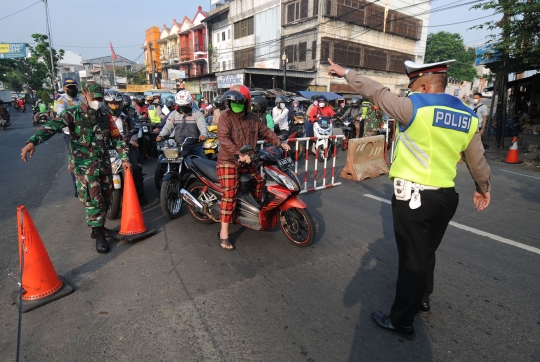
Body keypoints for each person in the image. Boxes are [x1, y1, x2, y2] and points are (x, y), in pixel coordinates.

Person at [327, 58, 491, 339]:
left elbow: (377, 92)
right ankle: (423, 300)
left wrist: (346, 73)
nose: (409, 92)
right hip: (446, 199)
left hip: (414, 198)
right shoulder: (468, 115)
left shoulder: (415, 108)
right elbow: (477, 159)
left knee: (412, 260)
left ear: (425, 85)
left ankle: (402, 320)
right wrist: (483, 187)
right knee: (426, 253)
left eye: (412, 87)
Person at [21, 83, 132, 254]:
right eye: (94, 98)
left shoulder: (105, 116)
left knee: (107, 197)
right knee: (93, 199)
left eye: (100, 99)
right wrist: (32, 142)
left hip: (103, 165)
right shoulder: (73, 114)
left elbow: (117, 138)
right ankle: (98, 232)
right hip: (84, 167)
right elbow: (51, 127)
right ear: (85, 95)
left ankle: (99, 228)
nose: (97, 102)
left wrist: (124, 158)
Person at [216, 84, 289, 251]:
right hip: (228, 161)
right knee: (230, 194)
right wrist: (238, 154)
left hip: (248, 160)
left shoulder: (254, 118)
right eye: (232, 103)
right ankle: (224, 233)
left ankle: (253, 211)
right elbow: (224, 140)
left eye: (238, 103)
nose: (234, 106)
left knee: (260, 181)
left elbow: (266, 132)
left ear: (246, 103)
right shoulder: (224, 118)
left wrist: (279, 142)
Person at [104, 89, 148, 206]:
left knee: (136, 169)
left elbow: (135, 129)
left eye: (116, 103)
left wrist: (133, 139)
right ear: (106, 103)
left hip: (126, 146)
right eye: (111, 103)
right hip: (107, 148)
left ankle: (140, 195)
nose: (114, 106)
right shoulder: (102, 117)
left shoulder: (126, 116)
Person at [156, 90, 207, 158]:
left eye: (185, 106)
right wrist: (161, 135)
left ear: (190, 103)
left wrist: (203, 135)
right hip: (178, 146)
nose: (183, 108)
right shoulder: (173, 114)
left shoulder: (197, 114)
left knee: (203, 163)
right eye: (181, 106)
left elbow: (203, 126)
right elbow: (167, 126)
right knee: (162, 160)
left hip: (194, 146)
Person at [56, 78, 84, 197]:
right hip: (70, 135)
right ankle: (77, 187)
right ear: (64, 88)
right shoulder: (62, 101)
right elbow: (62, 115)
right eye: (69, 87)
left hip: (86, 133)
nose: (72, 89)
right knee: (75, 160)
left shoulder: (82, 98)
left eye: (74, 87)